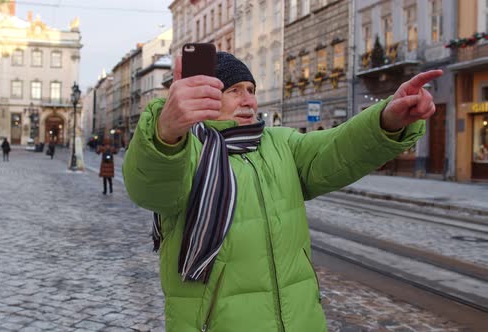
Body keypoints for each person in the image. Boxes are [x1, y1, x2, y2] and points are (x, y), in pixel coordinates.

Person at [122, 51, 442, 332]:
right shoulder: (184, 150)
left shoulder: (279, 144)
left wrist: (387, 119)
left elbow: (340, 147)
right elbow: (150, 189)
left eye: (251, 90)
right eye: (234, 91)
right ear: (204, 97)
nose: (249, 100)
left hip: (300, 320)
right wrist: (165, 132)